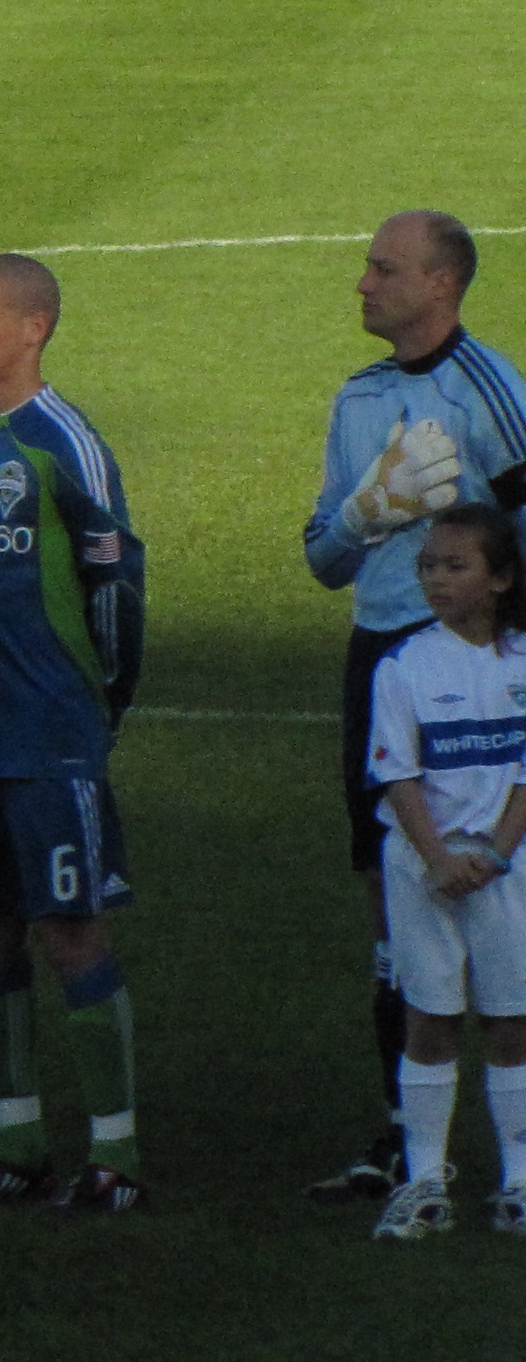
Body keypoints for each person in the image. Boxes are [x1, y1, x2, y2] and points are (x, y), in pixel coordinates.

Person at [0, 256, 148, 1216]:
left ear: (35, 326)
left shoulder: (68, 446)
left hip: (48, 732)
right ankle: (14, 1142)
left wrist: (104, 706)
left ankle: (115, 1155)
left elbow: (117, 589)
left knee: (69, 928)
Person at [305, 210, 526, 1200]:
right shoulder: (354, 399)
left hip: (480, 667)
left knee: (503, 892)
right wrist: (363, 513)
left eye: (381, 268)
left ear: (438, 284)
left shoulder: (488, 390)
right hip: (379, 658)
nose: (360, 283)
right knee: (390, 901)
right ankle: (406, 1135)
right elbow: (320, 558)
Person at [361, 503, 526, 1242]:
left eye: (453, 565)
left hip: (504, 865)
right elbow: (397, 775)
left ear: (498, 578)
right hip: (423, 866)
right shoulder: (401, 665)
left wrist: (493, 853)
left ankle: (517, 1180)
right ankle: (423, 1181)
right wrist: (437, 859)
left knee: (510, 1019)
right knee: (429, 1016)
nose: (434, 577)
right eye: (427, 563)